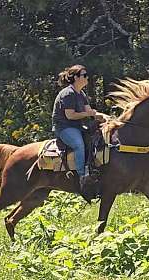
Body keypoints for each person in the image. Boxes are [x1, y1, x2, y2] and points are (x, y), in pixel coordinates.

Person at [51, 64, 105, 203]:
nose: (87, 78)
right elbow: (70, 115)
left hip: (78, 126)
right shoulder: (68, 93)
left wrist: (103, 116)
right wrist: (89, 113)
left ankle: (92, 169)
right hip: (64, 127)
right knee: (79, 145)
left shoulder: (81, 94)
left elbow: (90, 112)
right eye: (84, 75)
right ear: (75, 77)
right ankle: (82, 176)